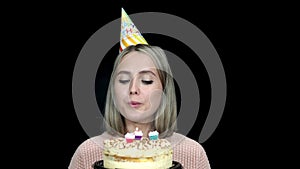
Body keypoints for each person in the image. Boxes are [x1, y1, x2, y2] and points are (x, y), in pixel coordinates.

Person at [69, 8, 210, 169]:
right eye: (123, 80)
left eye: (146, 80)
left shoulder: (193, 154)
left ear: (164, 90)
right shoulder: (87, 153)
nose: (133, 89)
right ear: (112, 90)